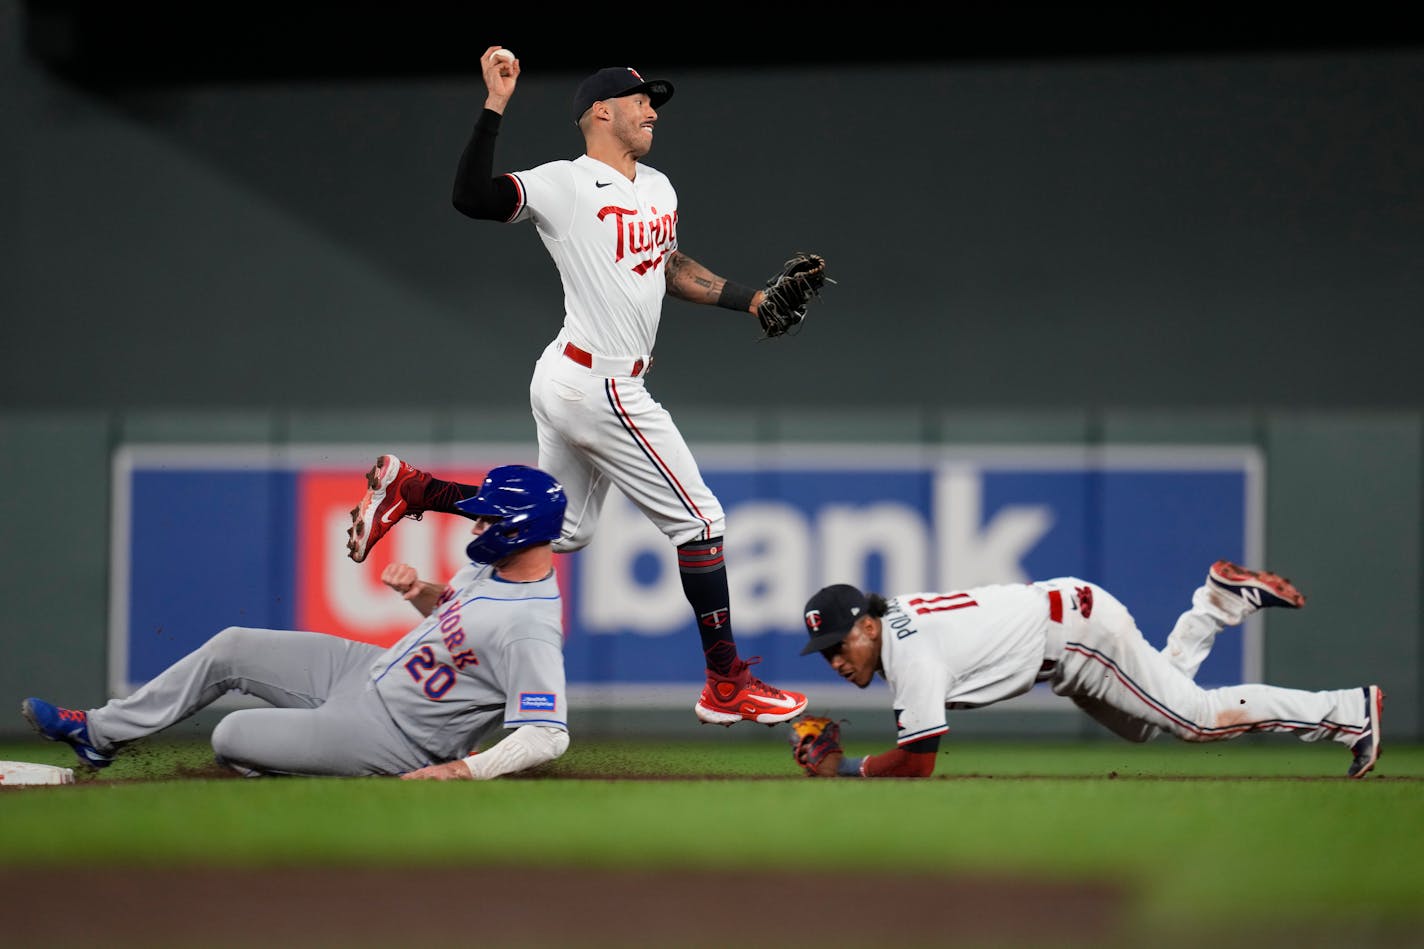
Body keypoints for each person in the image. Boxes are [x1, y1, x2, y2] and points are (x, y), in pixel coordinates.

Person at [344, 48, 816, 727]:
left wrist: (751, 299)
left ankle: (412, 488)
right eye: (639, 99)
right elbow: (471, 197)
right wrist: (495, 103)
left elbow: (668, 262)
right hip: (599, 383)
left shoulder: (658, 187)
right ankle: (725, 684)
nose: (652, 108)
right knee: (702, 521)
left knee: (561, 529)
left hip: (574, 379)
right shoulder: (567, 184)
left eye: (654, 99)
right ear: (601, 112)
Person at [22, 465, 572, 781]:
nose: (476, 521)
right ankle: (97, 734)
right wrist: (421, 592)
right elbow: (460, 629)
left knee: (231, 736)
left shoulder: (530, 625)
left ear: (520, 529)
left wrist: (462, 771)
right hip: (366, 671)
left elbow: (547, 733)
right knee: (233, 646)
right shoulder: (491, 567)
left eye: (488, 515)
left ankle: (310, 766)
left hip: (394, 735)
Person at [791, 560, 1385, 778]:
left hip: (1078, 637)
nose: (838, 660)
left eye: (841, 646)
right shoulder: (893, 622)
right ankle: (1217, 605)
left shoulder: (910, 655)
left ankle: (1348, 711)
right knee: (1149, 723)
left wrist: (846, 768)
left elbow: (917, 764)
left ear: (868, 626)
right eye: (828, 654)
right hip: (1067, 641)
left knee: (1199, 719)